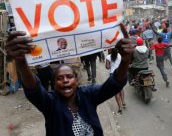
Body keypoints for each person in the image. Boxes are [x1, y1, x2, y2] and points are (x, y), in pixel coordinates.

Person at [5, 24, 134, 136]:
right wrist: (21, 62)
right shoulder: (50, 103)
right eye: (60, 78)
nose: (65, 80)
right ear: (54, 84)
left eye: (69, 77)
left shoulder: (88, 95)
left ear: (77, 81)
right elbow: (34, 90)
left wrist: (125, 60)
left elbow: (113, 85)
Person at [106, 48, 125, 114]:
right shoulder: (120, 55)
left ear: (110, 50)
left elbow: (107, 67)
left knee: (116, 91)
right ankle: (123, 103)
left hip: (113, 75)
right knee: (121, 88)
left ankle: (119, 107)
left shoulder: (108, 57)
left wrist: (111, 64)